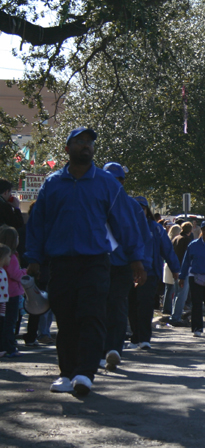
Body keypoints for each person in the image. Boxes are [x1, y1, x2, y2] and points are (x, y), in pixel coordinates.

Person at [26, 127, 145, 396]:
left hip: (95, 263)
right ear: (67, 149)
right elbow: (38, 225)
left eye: (89, 142)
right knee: (66, 319)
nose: (86, 146)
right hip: (60, 264)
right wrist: (33, 258)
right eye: (79, 142)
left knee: (91, 315)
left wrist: (137, 259)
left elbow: (125, 224)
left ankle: (84, 373)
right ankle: (66, 374)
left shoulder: (107, 183)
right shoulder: (52, 183)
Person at [100, 162, 151, 370]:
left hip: (104, 263)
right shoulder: (131, 205)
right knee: (117, 305)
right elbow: (144, 238)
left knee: (100, 306)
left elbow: (143, 238)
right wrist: (141, 264)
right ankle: (112, 347)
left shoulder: (99, 201)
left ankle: (106, 348)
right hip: (119, 264)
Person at [127, 197, 180, 350]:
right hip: (128, 273)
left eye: (141, 208)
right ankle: (135, 338)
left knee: (145, 306)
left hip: (149, 273)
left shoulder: (156, 229)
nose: (138, 212)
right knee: (131, 306)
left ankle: (144, 339)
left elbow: (167, 249)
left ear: (146, 210)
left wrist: (175, 269)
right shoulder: (125, 227)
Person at [169, 222, 195, 327]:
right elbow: (189, 257)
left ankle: (174, 314)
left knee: (176, 293)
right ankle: (176, 317)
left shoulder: (175, 238)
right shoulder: (187, 240)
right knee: (182, 295)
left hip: (175, 268)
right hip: (183, 270)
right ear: (190, 230)